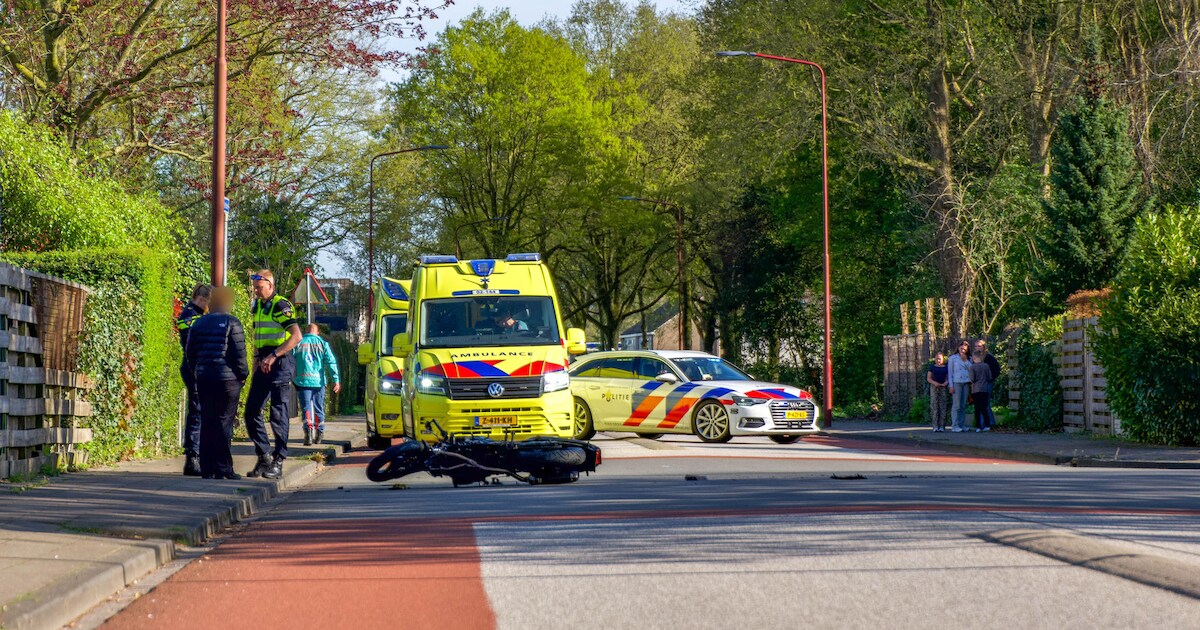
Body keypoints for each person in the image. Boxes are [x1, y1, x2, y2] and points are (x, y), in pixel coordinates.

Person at [243, 270, 302, 479]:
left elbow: (296, 336)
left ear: (270, 284)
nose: (256, 291)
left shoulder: (280, 305)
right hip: (264, 360)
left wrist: (274, 356)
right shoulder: (258, 305)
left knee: (278, 413)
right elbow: (260, 336)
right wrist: (258, 359)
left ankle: (279, 460)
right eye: (255, 288)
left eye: (259, 287)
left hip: (280, 361)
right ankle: (264, 456)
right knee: (251, 411)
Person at [185, 287, 248, 479]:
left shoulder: (198, 324)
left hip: (204, 378)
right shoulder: (232, 322)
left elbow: (190, 352)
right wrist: (242, 374)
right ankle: (223, 468)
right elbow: (239, 354)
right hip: (227, 380)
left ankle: (207, 467)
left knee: (208, 420)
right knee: (224, 422)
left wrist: (197, 370)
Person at [176, 283, 211, 476]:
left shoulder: (197, 314)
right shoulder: (189, 316)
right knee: (197, 410)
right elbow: (193, 344)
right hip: (194, 368)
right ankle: (192, 457)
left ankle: (199, 455)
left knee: (202, 410)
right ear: (203, 299)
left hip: (201, 368)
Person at [293, 324, 341, 445]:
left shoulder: (298, 342)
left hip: (303, 382)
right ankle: (319, 434)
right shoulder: (323, 344)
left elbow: (291, 361)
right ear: (318, 332)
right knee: (319, 408)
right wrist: (336, 380)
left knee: (306, 408)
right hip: (319, 382)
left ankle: (308, 433)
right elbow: (331, 362)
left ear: (306, 331)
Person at [947, 340, 973, 432]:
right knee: (956, 405)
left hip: (966, 382)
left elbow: (971, 369)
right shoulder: (953, 358)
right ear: (958, 348)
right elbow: (950, 373)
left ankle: (962, 425)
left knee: (963, 405)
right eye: (961, 348)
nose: (963, 350)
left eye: (964, 349)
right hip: (956, 382)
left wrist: (965, 360)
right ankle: (955, 425)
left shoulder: (969, 358)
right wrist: (951, 386)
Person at [970, 350, 996, 432]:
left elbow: (972, 378)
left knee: (977, 408)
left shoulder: (972, 367)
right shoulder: (986, 366)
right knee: (984, 407)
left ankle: (979, 426)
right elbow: (989, 377)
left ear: (974, 357)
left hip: (976, 389)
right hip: (984, 388)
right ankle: (987, 424)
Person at [926, 351, 949, 432]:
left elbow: (947, 377)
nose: (938, 360)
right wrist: (934, 383)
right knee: (934, 405)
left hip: (943, 387)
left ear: (943, 359)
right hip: (934, 387)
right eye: (936, 359)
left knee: (943, 405)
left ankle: (942, 426)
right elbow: (928, 378)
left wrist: (946, 382)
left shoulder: (945, 367)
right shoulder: (932, 367)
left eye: (939, 359)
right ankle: (935, 425)